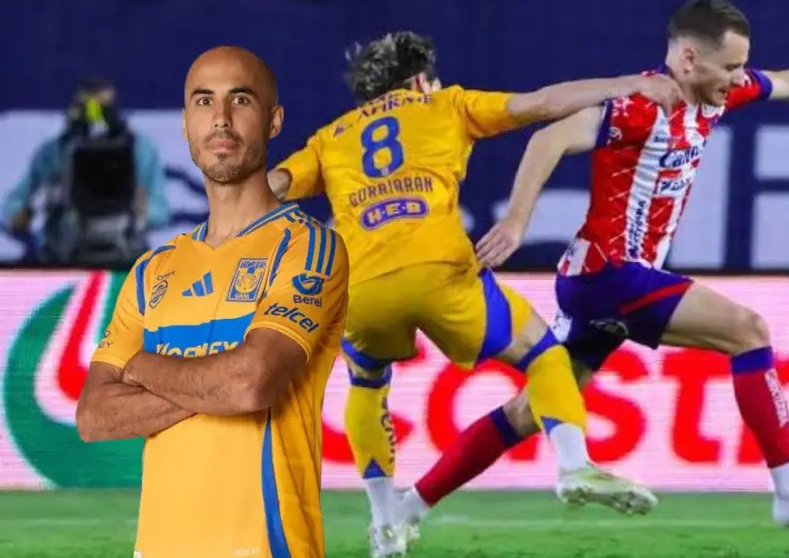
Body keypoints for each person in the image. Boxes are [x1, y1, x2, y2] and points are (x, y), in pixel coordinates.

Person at [394, 0, 789, 544]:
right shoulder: (642, 103)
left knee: (528, 410)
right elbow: (550, 136)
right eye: (729, 66)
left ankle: (409, 504)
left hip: (598, 284)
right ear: (688, 59)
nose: (738, 78)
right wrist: (516, 221)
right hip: (610, 275)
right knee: (747, 331)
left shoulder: (716, 97)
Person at [267, 31, 683, 557]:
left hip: (361, 285)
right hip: (440, 269)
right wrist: (627, 84)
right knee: (544, 354)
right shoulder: (446, 103)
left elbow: (275, 186)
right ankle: (575, 464)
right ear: (418, 79)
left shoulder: (330, 138)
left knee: (367, 385)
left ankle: (385, 527)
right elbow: (543, 105)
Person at [74, 46, 350, 558]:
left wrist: (142, 366)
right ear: (185, 123)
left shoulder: (307, 246)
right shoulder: (152, 270)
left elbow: (250, 384)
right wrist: (209, 386)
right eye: (204, 101)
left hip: (264, 545)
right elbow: (94, 416)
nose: (220, 119)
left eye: (240, 100)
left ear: (274, 121)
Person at [4, 76, 171, 265]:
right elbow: (12, 206)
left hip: (125, 254)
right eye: (89, 100)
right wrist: (21, 214)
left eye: (102, 101)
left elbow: (162, 211)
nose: (95, 108)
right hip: (63, 255)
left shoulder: (140, 149)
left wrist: (143, 210)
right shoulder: (55, 151)